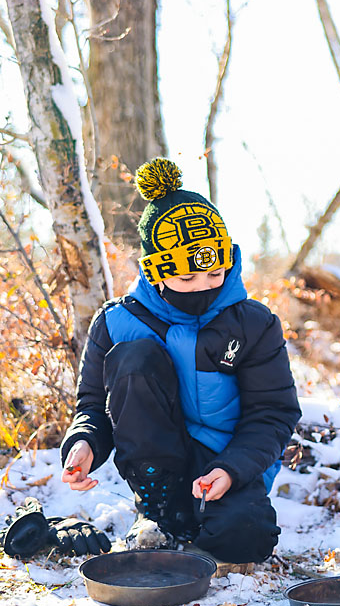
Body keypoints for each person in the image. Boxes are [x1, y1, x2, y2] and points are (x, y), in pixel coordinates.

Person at [60, 158, 301, 570]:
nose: (204, 287)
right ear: (155, 272)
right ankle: (159, 513)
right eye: (187, 279)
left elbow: (273, 413)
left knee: (247, 537)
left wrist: (233, 468)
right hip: (158, 463)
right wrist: (85, 444)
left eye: (214, 273)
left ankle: (212, 518)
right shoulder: (117, 322)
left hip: (225, 463)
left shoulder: (254, 324)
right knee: (134, 357)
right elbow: (93, 406)